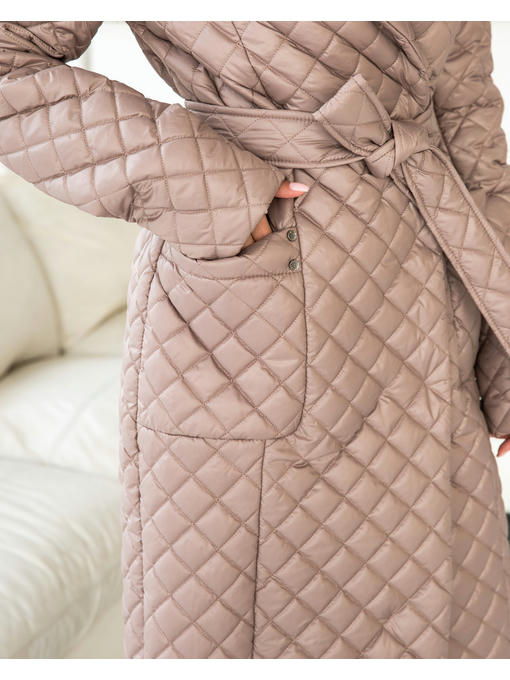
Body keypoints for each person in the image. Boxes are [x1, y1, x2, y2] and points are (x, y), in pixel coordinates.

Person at [1, 20, 510, 659]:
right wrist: (210, 190)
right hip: (258, 308)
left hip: (436, 301)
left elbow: (471, 131)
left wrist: (502, 350)